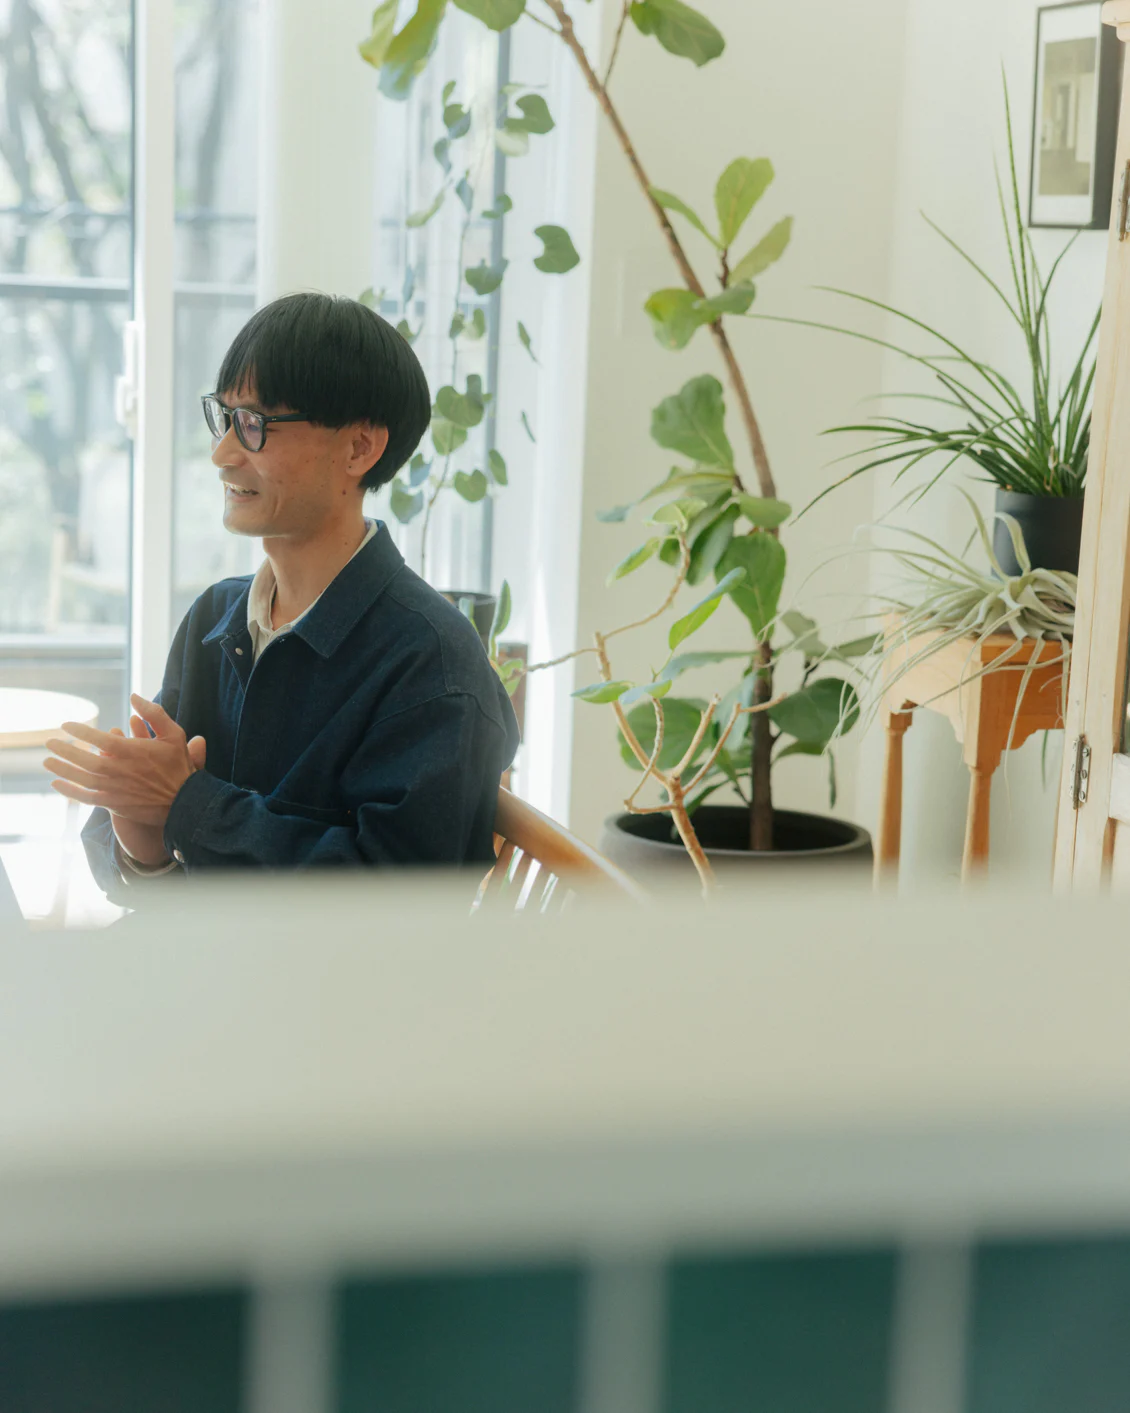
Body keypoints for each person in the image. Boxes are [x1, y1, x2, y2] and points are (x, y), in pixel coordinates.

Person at [44, 292, 518, 902]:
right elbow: (133, 857)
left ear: (359, 448)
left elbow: (400, 911)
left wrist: (187, 806)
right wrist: (146, 847)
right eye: (225, 417)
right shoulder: (216, 616)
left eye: (255, 425)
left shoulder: (432, 664)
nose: (222, 454)